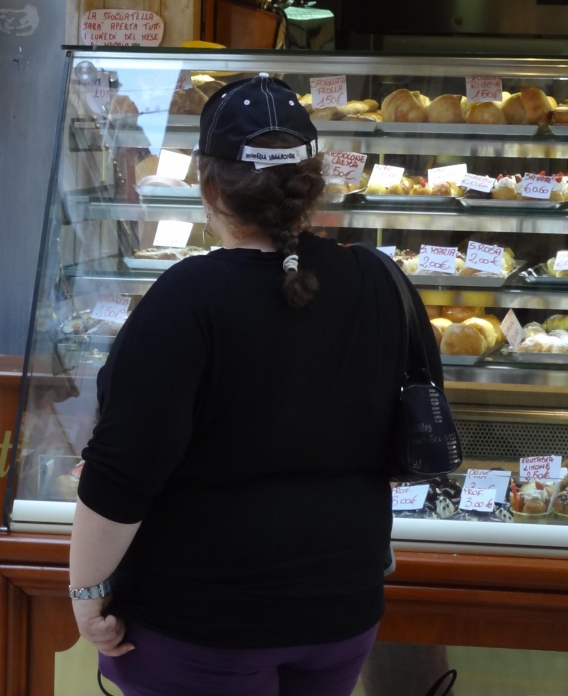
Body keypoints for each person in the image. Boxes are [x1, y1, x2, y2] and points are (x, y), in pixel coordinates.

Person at [69, 73, 440, 696]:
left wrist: (86, 591)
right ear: (313, 180)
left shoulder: (186, 298)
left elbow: (123, 469)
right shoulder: (380, 280)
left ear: (209, 185)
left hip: (202, 621)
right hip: (343, 609)